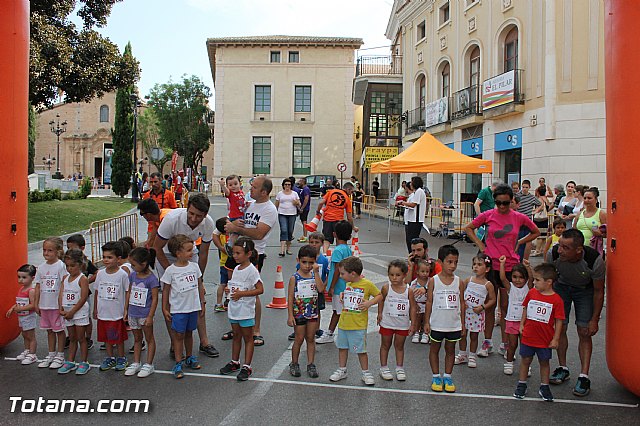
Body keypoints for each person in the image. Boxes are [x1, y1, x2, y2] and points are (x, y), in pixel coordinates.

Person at [465, 184, 540, 357]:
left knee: (506, 306)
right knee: (489, 306)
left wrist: (520, 242)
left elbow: (535, 232)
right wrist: (480, 244)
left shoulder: (519, 217)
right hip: (490, 265)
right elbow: (468, 228)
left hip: (510, 266)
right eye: (498, 202)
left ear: (511, 201)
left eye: (505, 203)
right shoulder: (488, 215)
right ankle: (488, 341)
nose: (502, 206)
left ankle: (506, 343)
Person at [153, 193, 218, 358]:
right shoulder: (172, 219)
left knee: (197, 295)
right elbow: (157, 248)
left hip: (190, 254)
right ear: (187, 208)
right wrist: (173, 273)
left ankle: (204, 342)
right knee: (170, 300)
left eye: (199, 216)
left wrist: (199, 277)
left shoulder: (208, 223)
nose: (194, 218)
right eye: (191, 213)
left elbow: (203, 253)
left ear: (205, 215)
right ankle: (175, 343)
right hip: (167, 256)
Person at [549, 228, 605, 397]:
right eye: (560, 246)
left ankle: (584, 376)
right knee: (561, 327)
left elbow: (598, 291)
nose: (560, 250)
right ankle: (563, 367)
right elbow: (547, 280)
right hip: (561, 287)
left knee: (584, 331)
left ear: (578, 250)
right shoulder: (553, 254)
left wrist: (594, 319)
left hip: (585, 290)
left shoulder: (594, 260)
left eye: (565, 248)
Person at [224, 176, 278, 347]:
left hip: (253, 254)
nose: (250, 190)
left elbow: (259, 233)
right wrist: (233, 223)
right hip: (238, 251)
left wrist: (236, 228)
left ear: (264, 192)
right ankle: (237, 327)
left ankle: (256, 330)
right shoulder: (251, 203)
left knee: (252, 292)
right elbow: (241, 219)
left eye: (254, 187)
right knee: (235, 289)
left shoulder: (269, 209)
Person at [513, 263, 565, 401]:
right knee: (525, 360)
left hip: (544, 338)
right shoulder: (531, 293)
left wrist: (556, 338)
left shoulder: (557, 300)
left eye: (537, 280)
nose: (534, 282)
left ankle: (544, 386)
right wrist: (522, 324)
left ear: (548, 282)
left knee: (544, 362)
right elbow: (525, 308)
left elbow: (559, 320)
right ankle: (522, 384)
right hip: (529, 336)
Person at [329, 257, 382, 386]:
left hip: (358, 325)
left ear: (352, 273)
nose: (341, 276)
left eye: (342, 273)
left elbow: (380, 295)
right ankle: (342, 370)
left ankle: (366, 372)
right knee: (342, 347)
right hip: (344, 323)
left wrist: (369, 303)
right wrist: (342, 296)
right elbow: (346, 296)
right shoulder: (348, 284)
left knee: (360, 350)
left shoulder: (367, 284)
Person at [220, 237, 264, 381]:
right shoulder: (237, 269)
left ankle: (247, 366)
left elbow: (260, 289)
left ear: (248, 254)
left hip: (246, 310)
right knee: (236, 336)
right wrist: (229, 290)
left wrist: (242, 294)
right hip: (234, 309)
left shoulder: (252, 271)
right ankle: (234, 362)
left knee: (248, 338)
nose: (235, 256)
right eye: (234, 253)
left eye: (238, 253)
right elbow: (235, 285)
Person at [161, 235, 205, 379]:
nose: (191, 252)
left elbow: (199, 285)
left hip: (193, 307)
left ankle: (190, 357)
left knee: (189, 333)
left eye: (192, 249)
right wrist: (165, 308)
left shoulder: (194, 266)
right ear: (178, 253)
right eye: (188, 250)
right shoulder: (170, 271)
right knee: (178, 335)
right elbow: (166, 290)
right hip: (178, 309)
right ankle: (178, 361)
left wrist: (202, 302)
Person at [425, 245, 464, 393]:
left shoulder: (459, 281)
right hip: (437, 323)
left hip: (453, 324)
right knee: (434, 349)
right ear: (440, 262)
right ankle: (436, 376)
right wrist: (426, 321)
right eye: (449, 262)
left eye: (455, 262)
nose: (453, 265)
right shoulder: (434, 281)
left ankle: (448, 376)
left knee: (450, 349)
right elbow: (429, 302)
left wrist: (463, 324)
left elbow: (461, 303)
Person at [287, 245, 326, 378]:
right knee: (298, 339)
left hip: (312, 313)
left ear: (315, 262)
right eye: (304, 262)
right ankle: (294, 363)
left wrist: (316, 273)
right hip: (299, 313)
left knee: (310, 338)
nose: (307, 266)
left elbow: (321, 289)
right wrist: (290, 315)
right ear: (298, 261)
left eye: (311, 263)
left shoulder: (315, 276)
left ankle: (311, 364)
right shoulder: (294, 278)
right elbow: (290, 297)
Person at [454, 254, 496, 369]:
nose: (476, 267)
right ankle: (462, 354)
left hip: (476, 314)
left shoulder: (488, 285)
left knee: (474, 336)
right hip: (465, 312)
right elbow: (460, 291)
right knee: (462, 334)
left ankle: (472, 356)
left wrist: (483, 307)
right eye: (474, 264)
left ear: (487, 269)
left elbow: (493, 299)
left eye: (479, 264)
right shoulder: (469, 280)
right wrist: (462, 301)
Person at [377, 259, 416, 381]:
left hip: (402, 324)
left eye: (398, 275)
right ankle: (383, 367)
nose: (394, 278)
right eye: (391, 275)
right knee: (385, 345)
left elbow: (413, 307)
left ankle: (399, 368)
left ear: (404, 275)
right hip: (387, 322)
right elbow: (381, 299)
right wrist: (379, 313)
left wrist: (413, 324)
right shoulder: (386, 288)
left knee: (399, 346)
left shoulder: (409, 291)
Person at [94, 241, 129, 372]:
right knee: (106, 337)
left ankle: (121, 357)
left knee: (118, 337)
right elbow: (97, 291)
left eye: (109, 257)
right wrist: (95, 309)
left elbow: (127, 292)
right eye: (104, 257)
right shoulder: (100, 274)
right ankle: (110, 358)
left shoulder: (122, 275)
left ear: (118, 259)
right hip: (103, 312)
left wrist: (126, 309)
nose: (106, 260)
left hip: (117, 313)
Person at [124, 247, 160, 378]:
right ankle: (136, 362)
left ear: (143, 264)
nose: (132, 267)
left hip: (145, 314)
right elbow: (129, 292)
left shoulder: (151, 279)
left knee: (149, 338)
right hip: (133, 313)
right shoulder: (133, 275)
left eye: (133, 264)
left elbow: (155, 298)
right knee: (137, 339)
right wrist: (126, 310)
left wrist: (150, 316)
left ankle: (149, 364)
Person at [315, 221, 352, 344]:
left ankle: (331, 333)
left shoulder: (337, 250)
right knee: (339, 310)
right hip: (345, 285)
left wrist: (331, 287)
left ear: (334, 234)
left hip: (338, 287)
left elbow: (337, 269)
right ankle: (335, 332)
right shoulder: (347, 249)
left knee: (337, 311)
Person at [34, 237, 67, 370]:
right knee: (49, 331)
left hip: (55, 306)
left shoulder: (61, 266)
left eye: (50, 250)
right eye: (44, 250)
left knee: (59, 330)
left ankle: (60, 355)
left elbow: (64, 284)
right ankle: (51, 354)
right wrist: (36, 303)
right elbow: (37, 286)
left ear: (58, 251)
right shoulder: (41, 268)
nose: (46, 253)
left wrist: (61, 303)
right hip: (44, 305)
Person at [56, 249, 91, 374]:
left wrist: (72, 312)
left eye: (72, 265)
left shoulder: (83, 279)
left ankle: (84, 362)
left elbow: (83, 298)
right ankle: (70, 361)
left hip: (79, 312)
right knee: (72, 337)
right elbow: (61, 293)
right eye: (67, 266)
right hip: (67, 311)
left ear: (80, 265)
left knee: (81, 337)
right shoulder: (65, 278)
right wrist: (61, 308)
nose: (69, 268)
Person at [498, 257, 534, 375]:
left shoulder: (528, 288)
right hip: (512, 321)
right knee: (512, 344)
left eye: (521, 277)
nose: (518, 280)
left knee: (525, 345)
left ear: (525, 278)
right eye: (515, 277)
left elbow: (532, 278)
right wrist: (502, 264)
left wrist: (528, 267)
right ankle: (509, 363)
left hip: (525, 322)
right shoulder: (510, 288)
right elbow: (502, 278)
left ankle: (526, 366)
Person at [66, 234, 98, 350]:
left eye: (73, 248)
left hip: (83, 294)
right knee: (70, 315)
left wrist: (87, 282)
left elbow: (96, 272)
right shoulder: (67, 262)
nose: (70, 250)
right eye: (68, 248)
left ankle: (88, 337)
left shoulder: (86, 262)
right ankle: (71, 335)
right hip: (70, 294)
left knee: (85, 316)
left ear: (82, 247)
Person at [6, 264, 38, 365]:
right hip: (22, 316)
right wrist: (12, 308)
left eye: (24, 277)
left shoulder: (31, 291)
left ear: (32, 278)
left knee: (30, 335)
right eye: (19, 277)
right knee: (24, 334)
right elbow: (19, 302)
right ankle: (27, 350)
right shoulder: (21, 289)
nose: (20, 280)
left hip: (29, 316)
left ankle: (33, 354)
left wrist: (21, 308)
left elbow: (33, 305)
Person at [315, 181, 358, 253]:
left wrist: (318, 211)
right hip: (338, 221)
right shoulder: (347, 199)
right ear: (348, 189)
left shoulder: (331, 192)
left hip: (327, 219)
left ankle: (325, 254)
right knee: (340, 239)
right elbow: (349, 217)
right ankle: (339, 255)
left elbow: (321, 202)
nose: (351, 193)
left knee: (327, 239)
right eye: (351, 191)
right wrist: (353, 227)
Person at [397, 176, 428, 252]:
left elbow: (413, 204)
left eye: (411, 182)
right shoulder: (417, 192)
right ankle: (411, 255)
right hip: (412, 219)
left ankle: (413, 255)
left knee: (412, 240)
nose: (410, 184)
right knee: (409, 239)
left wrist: (403, 202)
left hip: (415, 220)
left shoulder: (419, 191)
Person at [219, 174, 246, 249]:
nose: (233, 186)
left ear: (240, 184)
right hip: (235, 216)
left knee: (240, 233)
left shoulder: (241, 192)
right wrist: (223, 186)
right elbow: (227, 192)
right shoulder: (231, 194)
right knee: (235, 233)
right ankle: (229, 245)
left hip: (241, 215)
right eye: (230, 185)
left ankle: (234, 245)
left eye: (235, 184)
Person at [276, 178, 301, 257]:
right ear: (283, 185)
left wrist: (296, 203)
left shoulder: (294, 194)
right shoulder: (280, 194)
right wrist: (274, 212)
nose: (287, 186)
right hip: (282, 213)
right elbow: (276, 204)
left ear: (291, 186)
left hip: (292, 214)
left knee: (290, 231)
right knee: (284, 230)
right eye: (286, 184)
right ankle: (282, 250)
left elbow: (299, 203)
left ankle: (288, 248)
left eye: (289, 185)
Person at [410, 259, 432, 344]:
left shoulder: (430, 281)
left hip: (427, 304)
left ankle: (425, 334)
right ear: (417, 272)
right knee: (417, 318)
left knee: (426, 318)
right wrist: (414, 304)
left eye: (427, 271)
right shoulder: (414, 283)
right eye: (422, 271)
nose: (425, 273)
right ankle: (416, 332)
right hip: (417, 304)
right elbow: (411, 295)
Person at [212, 217, 231, 313]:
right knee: (231, 283)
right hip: (230, 264)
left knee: (223, 284)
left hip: (222, 262)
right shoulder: (230, 237)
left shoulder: (221, 236)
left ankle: (218, 304)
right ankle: (229, 301)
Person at [531, 186, 552, 256]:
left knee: (539, 235)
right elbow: (549, 206)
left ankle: (537, 250)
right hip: (545, 218)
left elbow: (541, 207)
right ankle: (542, 249)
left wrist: (535, 211)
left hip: (539, 219)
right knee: (543, 235)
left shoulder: (539, 199)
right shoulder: (546, 199)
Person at [297, 178, 311, 242]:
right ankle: (304, 235)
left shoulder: (306, 189)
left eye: (300, 181)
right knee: (303, 221)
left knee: (304, 222)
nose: (298, 182)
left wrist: (302, 208)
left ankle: (305, 236)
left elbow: (306, 198)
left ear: (303, 182)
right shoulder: (303, 189)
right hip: (304, 208)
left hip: (305, 208)